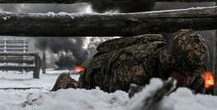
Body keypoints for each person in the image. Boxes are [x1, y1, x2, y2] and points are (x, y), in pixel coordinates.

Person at [51, 29, 208, 94]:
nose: (188, 79)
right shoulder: (134, 74)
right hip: (98, 72)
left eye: (192, 74)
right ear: (169, 63)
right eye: (183, 73)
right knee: (85, 93)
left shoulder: (190, 73)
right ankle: (68, 84)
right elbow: (116, 106)